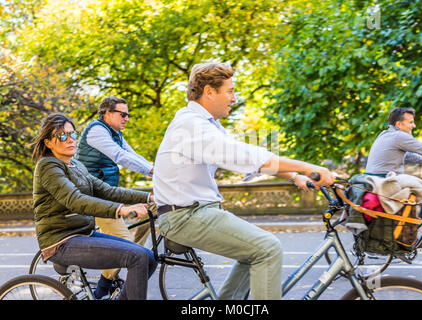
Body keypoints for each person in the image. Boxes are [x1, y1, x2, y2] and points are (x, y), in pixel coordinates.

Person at [153, 62, 335, 300]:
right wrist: (310, 167)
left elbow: (245, 157)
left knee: (255, 252)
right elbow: (243, 156)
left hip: (196, 213)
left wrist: (293, 175)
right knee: (267, 249)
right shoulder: (191, 125)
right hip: (186, 217)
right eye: (230, 91)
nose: (234, 98)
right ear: (209, 91)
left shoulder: (206, 124)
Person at [31, 113, 157, 300]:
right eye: (62, 136)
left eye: (73, 134)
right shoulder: (48, 167)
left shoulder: (76, 165)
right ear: (48, 142)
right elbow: (76, 200)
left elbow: (108, 191)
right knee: (136, 257)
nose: (70, 140)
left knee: (148, 257)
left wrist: (151, 197)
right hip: (61, 242)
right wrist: (120, 209)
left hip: (83, 234)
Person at [74, 96, 154, 298]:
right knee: (125, 247)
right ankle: (102, 289)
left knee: (150, 214)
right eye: (123, 114)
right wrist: (152, 170)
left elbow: (132, 154)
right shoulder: (97, 130)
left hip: (108, 192)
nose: (127, 118)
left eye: (128, 114)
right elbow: (120, 156)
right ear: (107, 114)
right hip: (93, 196)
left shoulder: (115, 133)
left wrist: (155, 170)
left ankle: (113, 275)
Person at [365, 107, 422, 222]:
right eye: (410, 122)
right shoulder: (399, 136)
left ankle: (401, 238)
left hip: (375, 183)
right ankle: (407, 239)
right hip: (385, 185)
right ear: (399, 124)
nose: (413, 125)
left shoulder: (386, 134)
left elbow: (407, 154)